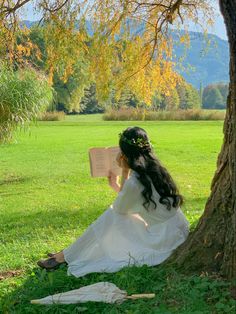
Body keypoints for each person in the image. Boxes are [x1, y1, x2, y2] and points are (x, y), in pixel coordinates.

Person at [37, 127, 189, 277]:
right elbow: (132, 201)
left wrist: (124, 171)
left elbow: (119, 210)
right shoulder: (155, 169)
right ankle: (66, 253)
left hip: (163, 241)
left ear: (125, 154)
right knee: (113, 214)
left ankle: (64, 256)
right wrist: (118, 185)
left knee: (110, 215)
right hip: (178, 229)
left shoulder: (136, 181)